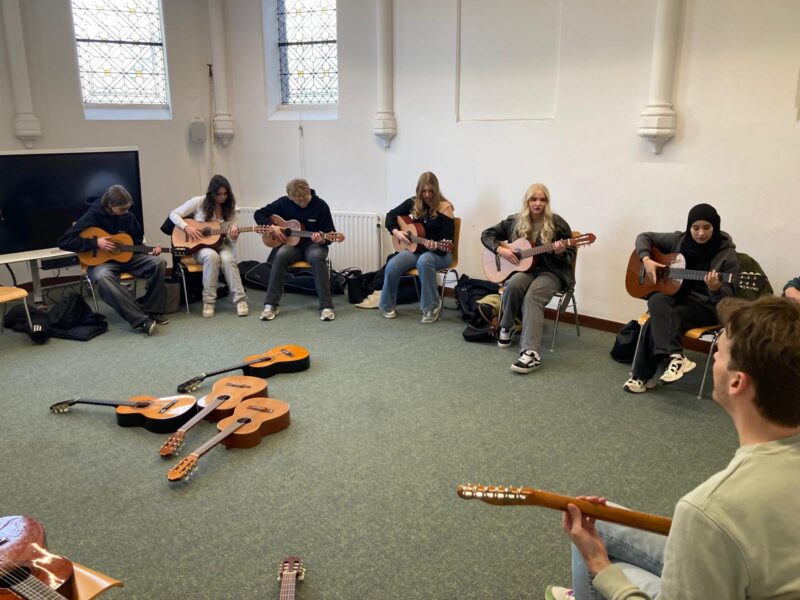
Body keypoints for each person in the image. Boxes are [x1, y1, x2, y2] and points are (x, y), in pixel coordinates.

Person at [546, 295, 800, 600]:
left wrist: (600, 566)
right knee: (596, 517)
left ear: (736, 383)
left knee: (604, 564)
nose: (713, 356)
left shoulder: (708, 510)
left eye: (719, 352)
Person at [623, 204, 739, 393]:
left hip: (706, 308)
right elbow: (643, 237)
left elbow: (726, 300)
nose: (700, 233)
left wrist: (715, 289)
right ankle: (676, 357)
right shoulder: (679, 239)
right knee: (656, 300)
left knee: (657, 319)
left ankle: (642, 376)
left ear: (715, 227)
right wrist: (646, 260)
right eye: (695, 228)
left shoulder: (727, 254)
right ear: (689, 227)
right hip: (678, 300)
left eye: (707, 227)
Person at [480, 183, 575, 373]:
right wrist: (501, 250)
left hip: (551, 272)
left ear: (547, 202)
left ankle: (531, 353)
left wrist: (560, 252)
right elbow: (486, 235)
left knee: (533, 296)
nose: (538, 203)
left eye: (542, 200)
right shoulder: (515, 221)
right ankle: (506, 326)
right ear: (527, 201)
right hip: (525, 270)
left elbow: (570, 256)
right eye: (534, 199)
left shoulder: (557, 223)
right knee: (512, 284)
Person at [57, 184, 167, 335]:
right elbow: (64, 241)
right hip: (101, 262)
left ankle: (153, 311)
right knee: (103, 277)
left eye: (128, 208)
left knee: (158, 263)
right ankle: (141, 320)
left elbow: (136, 243)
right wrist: (96, 243)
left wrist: (149, 251)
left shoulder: (129, 217)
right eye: (122, 209)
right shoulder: (92, 215)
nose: (126, 212)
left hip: (128, 257)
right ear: (110, 205)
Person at [253, 178, 337, 321]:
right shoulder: (283, 202)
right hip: (293, 245)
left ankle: (326, 307)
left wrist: (322, 239)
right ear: (290, 198)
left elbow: (330, 233)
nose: (302, 204)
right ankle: (271, 305)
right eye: (298, 202)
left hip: (314, 245)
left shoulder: (321, 206)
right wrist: (272, 226)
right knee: (280, 255)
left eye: (304, 200)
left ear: (308, 192)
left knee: (317, 257)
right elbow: (259, 214)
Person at [380, 171, 455, 323]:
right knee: (393, 264)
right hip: (417, 249)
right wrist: (397, 232)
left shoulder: (445, 208)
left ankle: (431, 306)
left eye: (430, 191)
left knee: (425, 260)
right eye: (423, 191)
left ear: (436, 190)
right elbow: (391, 215)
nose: (427, 195)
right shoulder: (414, 203)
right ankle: (387, 305)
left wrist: (434, 247)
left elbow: (447, 245)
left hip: (441, 253)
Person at [169, 175, 249, 318]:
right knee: (211, 257)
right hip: (200, 246)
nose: (222, 197)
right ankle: (208, 302)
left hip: (223, 244)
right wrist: (187, 227)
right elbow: (173, 214)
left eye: (225, 194)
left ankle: (240, 300)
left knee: (228, 260)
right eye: (219, 194)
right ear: (212, 193)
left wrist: (234, 236)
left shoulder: (233, 209)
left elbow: (232, 238)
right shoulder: (199, 202)